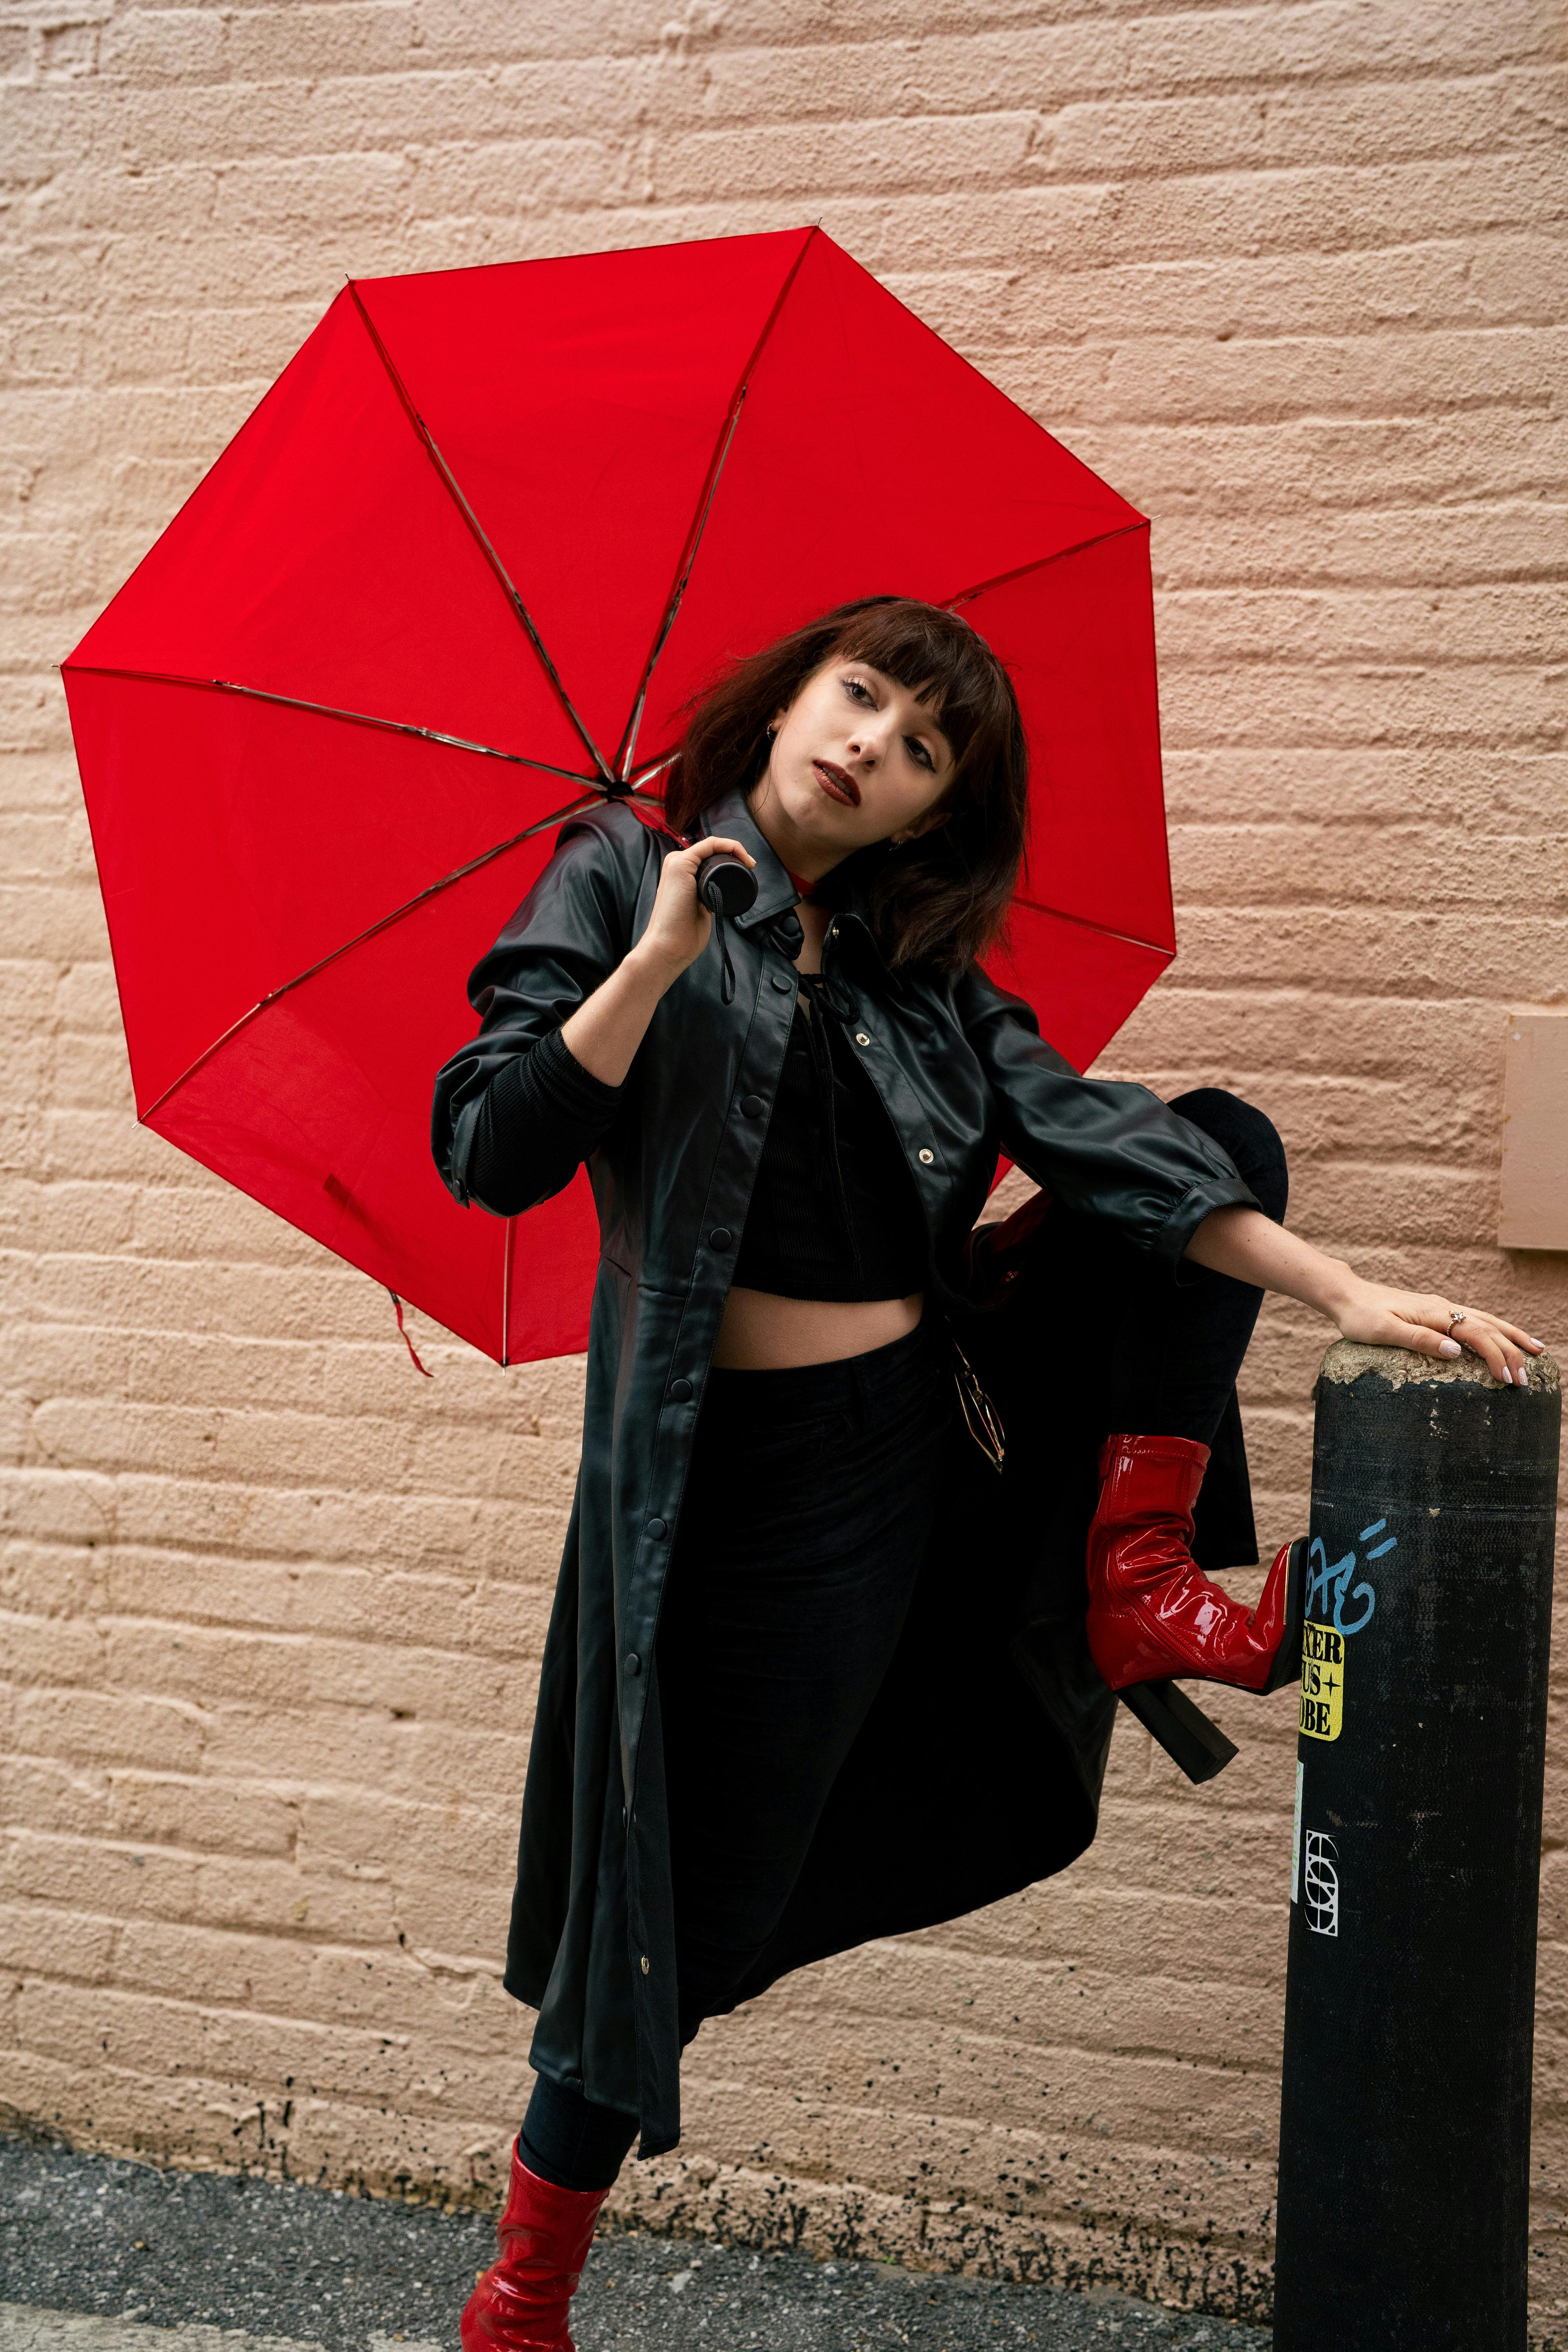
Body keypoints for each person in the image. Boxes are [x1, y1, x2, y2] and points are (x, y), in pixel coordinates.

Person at [430, 597, 1539, 2352]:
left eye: (922, 747)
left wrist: (1340, 1287)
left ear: (927, 816)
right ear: (793, 696)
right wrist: (650, 958)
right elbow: (488, 1148)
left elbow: (1098, 1142)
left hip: (910, 1448)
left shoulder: (916, 979)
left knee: (1214, 1137)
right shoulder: (605, 869)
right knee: (674, 1903)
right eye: (861, 696)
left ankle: (1134, 1565)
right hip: (721, 1492)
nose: (872, 742)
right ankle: (521, 2299)